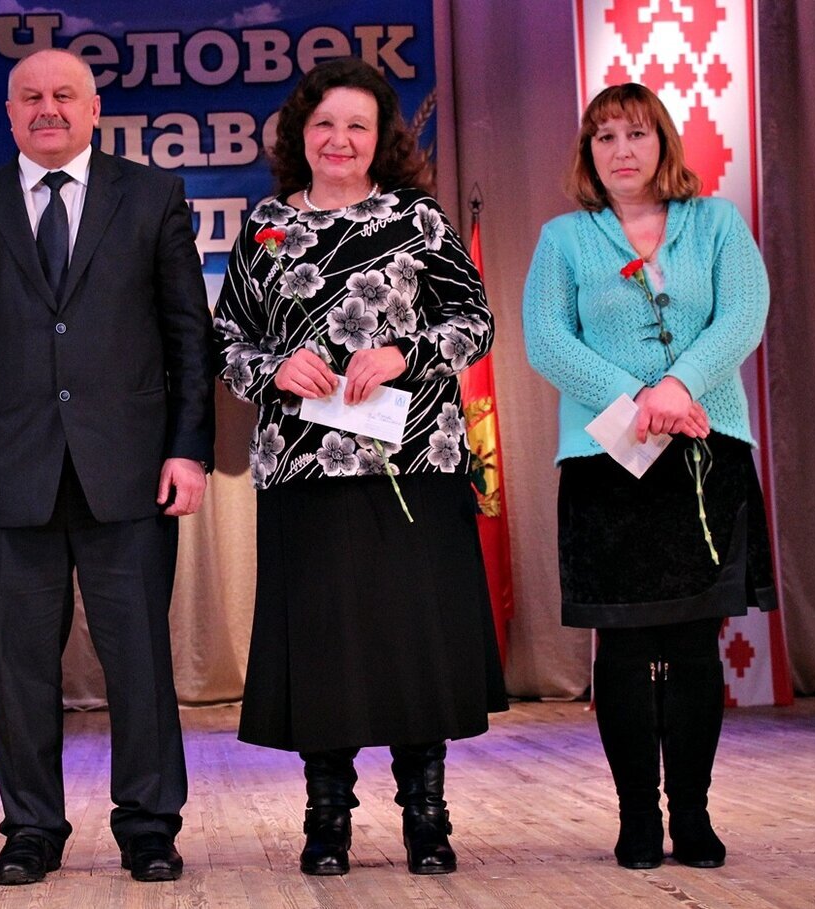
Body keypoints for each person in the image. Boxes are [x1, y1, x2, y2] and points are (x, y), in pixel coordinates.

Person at [0, 49, 213, 886]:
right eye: (31, 97)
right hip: (9, 475)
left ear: (94, 108)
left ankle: (149, 826)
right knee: (18, 668)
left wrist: (188, 448)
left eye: (63, 94)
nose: (47, 108)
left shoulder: (152, 195)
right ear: (10, 113)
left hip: (131, 471)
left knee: (140, 662)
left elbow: (189, 335)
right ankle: (31, 828)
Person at [213, 57, 507, 877]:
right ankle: (327, 817)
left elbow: (475, 321)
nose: (339, 139)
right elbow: (226, 342)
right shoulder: (267, 226)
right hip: (303, 469)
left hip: (414, 461)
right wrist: (273, 367)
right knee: (323, 643)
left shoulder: (418, 218)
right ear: (299, 135)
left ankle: (426, 814)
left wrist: (405, 352)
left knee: (416, 637)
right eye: (324, 124)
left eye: (357, 125)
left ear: (382, 139)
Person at [523, 83, 776, 870]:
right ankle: (637, 817)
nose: (621, 150)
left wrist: (678, 386)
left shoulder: (716, 223)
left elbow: (743, 315)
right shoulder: (565, 238)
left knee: (696, 644)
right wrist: (635, 398)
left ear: (663, 142)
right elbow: (546, 339)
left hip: (704, 451)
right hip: (607, 462)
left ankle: (691, 815)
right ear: (588, 153)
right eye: (604, 138)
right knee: (624, 648)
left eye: (636, 133)